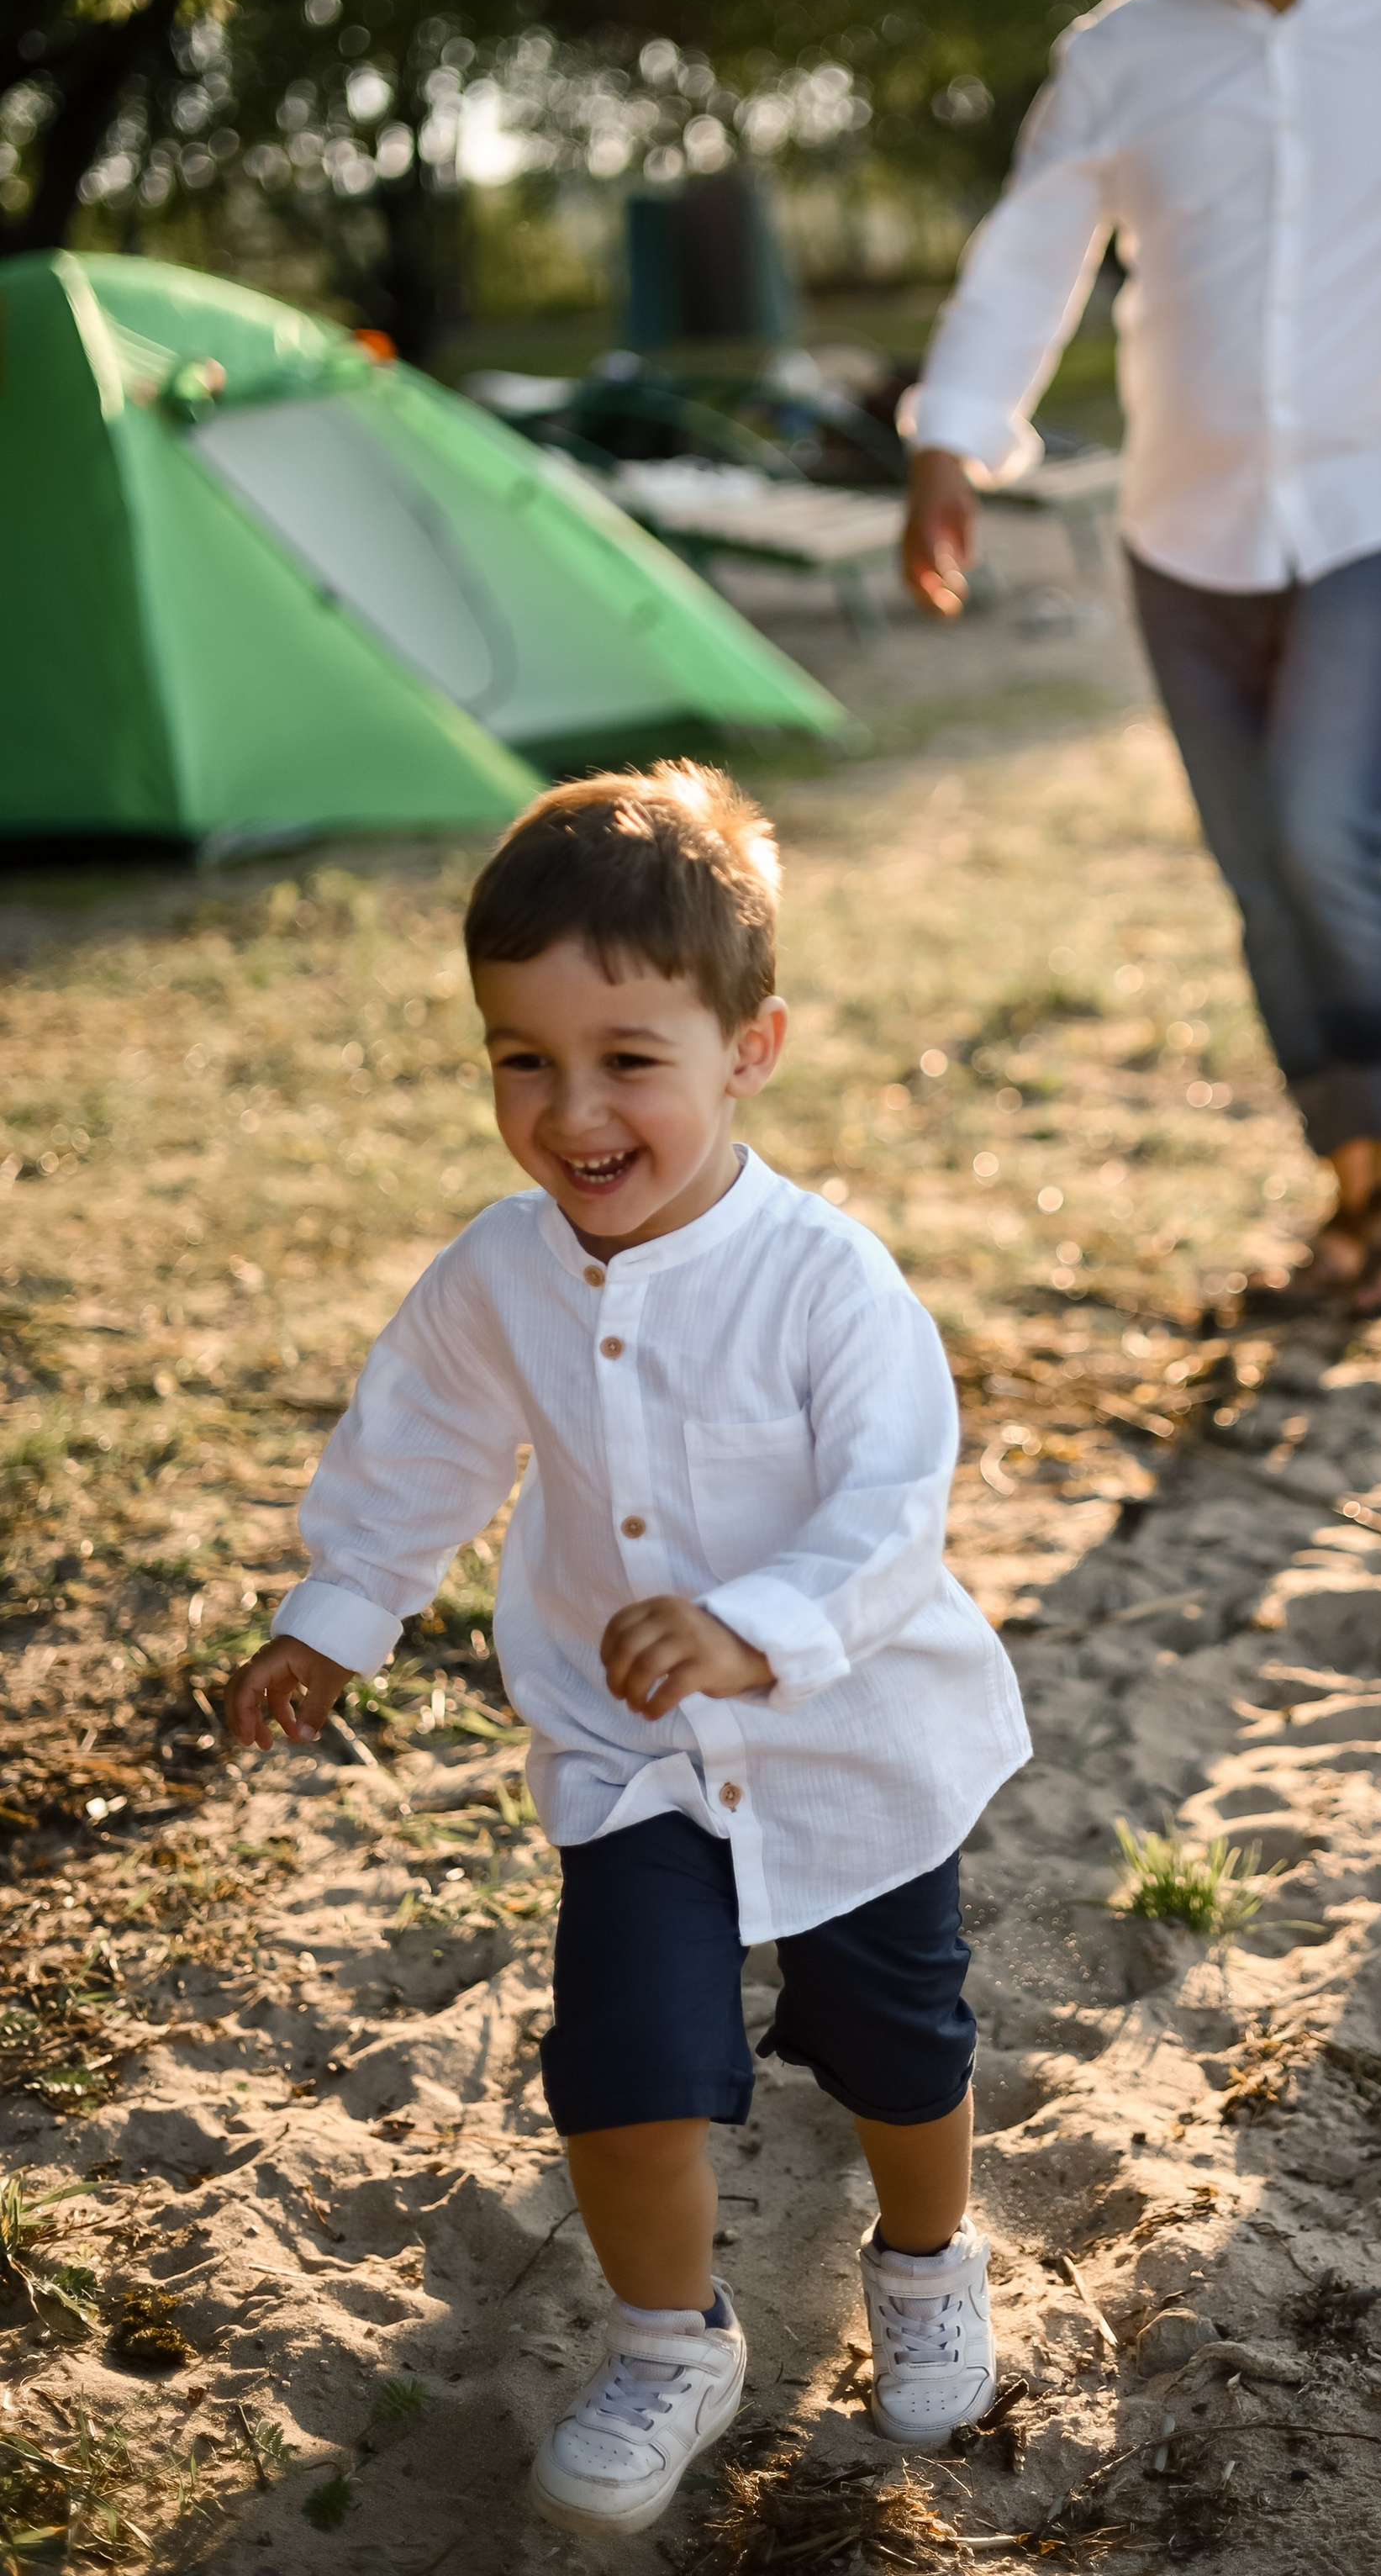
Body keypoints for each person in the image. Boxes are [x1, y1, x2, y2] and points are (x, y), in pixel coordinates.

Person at [223, 765, 1029, 2534]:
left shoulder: (826, 1282)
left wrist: (754, 1629)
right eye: (523, 1058)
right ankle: (674, 2335)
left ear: (749, 1047)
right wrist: (338, 1615)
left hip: (850, 1750)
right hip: (630, 1753)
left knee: (896, 2044)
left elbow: (897, 1509)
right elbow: (420, 1446)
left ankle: (921, 2253)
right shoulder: (497, 1275)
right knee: (620, 2058)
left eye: (626, 1061)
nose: (570, 1109)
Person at [899, 0, 1381, 1320]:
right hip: (1184, 529)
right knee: (1260, 868)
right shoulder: (1119, 53)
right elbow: (1033, 252)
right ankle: (1356, 1173)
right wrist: (957, 440)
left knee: (1326, 831)